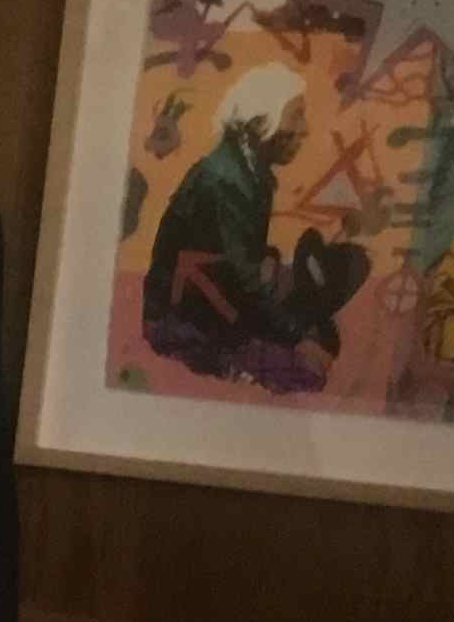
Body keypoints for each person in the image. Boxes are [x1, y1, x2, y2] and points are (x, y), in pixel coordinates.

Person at [141, 62, 371, 394]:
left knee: (330, 293)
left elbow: (239, 263)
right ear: (263, 121)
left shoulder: (249, 171)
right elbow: (240, 278)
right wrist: (296, 337)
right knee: (309, 373)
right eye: (296, 116)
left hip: (219, 299)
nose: (305, 129)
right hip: (184, 321)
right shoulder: (225, 180)